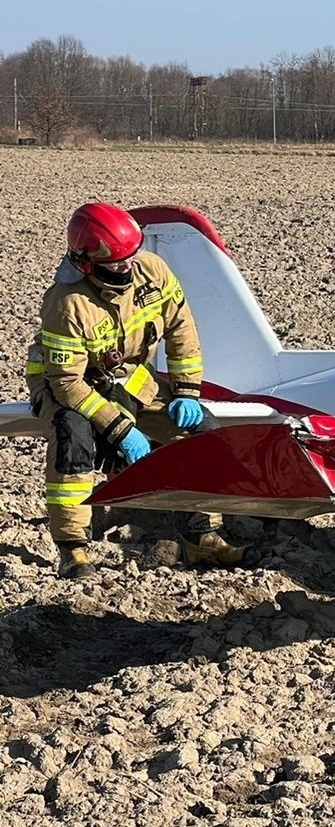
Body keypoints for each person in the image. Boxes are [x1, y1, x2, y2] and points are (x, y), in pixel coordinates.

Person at [26, 202, 245, 578]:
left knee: (201, 435)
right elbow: (67, 383)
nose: (128, 267)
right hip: (65, 386)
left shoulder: (152, 271)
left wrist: (187, 392)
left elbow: (181, 328)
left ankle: (201, 538)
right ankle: (73, 550)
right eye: (116, 263)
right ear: (86, 264)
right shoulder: (67, 304)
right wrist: (119, 428)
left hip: (129, 378)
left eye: (132, 256)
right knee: (73, 438)